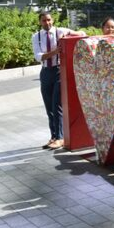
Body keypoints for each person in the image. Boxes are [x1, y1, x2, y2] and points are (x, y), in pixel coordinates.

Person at [32, 12, 86, 150]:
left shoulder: (61, 31)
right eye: (44, 20)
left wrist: (68, 36)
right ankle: (54, 136)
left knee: (57, 104)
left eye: (49, 20)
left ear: (53, 20)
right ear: (40, 22)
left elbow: (81, 32)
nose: (47, 23)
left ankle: (61, 137)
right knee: (49, 106)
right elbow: (38, 57)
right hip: (45, 72)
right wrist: (55, 52)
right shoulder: (36, 37)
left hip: (58, 71)